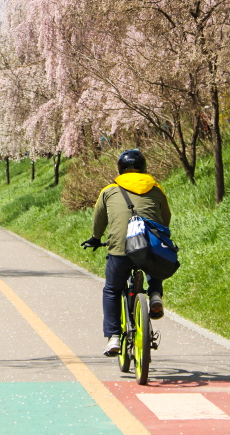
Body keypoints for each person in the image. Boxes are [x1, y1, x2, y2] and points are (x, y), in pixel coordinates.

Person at [82, 149, 172, 357]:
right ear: (144, 168)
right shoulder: (156, 189)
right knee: (154, 256)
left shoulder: (109, 191)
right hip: (148, 246)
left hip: (120, 248)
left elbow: (99, 220)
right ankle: (155, 294)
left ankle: (113, 336)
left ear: (120, 169)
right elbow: (165, 218)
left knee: (112, 290)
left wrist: (96, 238)